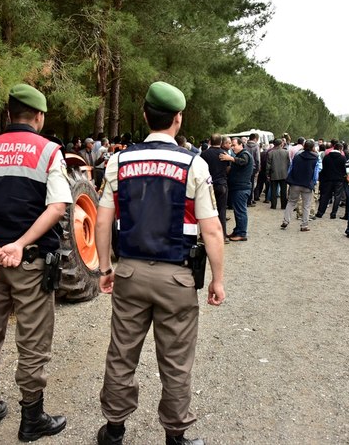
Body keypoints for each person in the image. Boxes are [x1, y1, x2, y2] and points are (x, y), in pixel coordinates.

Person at [94, 81, 225, 445]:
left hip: (131, 271)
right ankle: (176, 434)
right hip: (178, 277)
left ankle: (115, 429)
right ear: (178, 119)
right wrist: (217, 279)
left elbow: (103, 221)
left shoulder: (119, 160)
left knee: (122, 353)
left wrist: (106, 268)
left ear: (144, 115)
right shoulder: (194, 164)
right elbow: (211, 230)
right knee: (176, 359)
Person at [0, 84, 71, 439]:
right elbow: (57, 207)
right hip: (31, 263)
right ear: (38, 116)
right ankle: (31, 418)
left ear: (8, 114)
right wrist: (21, 244)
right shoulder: (50, 151)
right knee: (33, 341)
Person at [281, 139, 319, 231]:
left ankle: (286, 221)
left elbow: (291, 168)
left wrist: (290, 179)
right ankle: (304, 225)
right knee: (306, 205)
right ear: (313, 147)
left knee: (291, 202)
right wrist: (313, 183)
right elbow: (315, 173)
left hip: (295, 183)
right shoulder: (315, 158)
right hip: (307, 184)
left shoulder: (297, 156)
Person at [222, 137, 254, 241]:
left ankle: (241, 233)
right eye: (231, 145)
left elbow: (243, 162)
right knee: (237, 211)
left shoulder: (245, 154)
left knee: (241, 211)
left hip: (241, 188)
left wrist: (230, 158)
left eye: (234, 145)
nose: (232, 147)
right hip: (237, 187)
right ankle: (237, 231)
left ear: (241, 145)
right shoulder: (239, 155)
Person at [200, 133, 230, 242]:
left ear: (210, 142)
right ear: (221, 142)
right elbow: (228, 169)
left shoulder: (204, 154)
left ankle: (205, 236)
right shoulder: (224, 154)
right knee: (222, 211)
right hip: (222, 184)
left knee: (207, 211)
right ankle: (223, 236)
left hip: (208, 185)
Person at [315, 142, 346, 219]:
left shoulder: (326, 157)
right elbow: (344, 170)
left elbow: (324, 168)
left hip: (327, 179)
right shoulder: (342, 158)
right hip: (338, 180)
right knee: (337, 197)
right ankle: (333, 213)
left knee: (325, 196)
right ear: (340, 149)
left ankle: (320, 212)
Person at [267, 138, 290, 210]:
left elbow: (268, 165)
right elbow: (288, 163)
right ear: (281, 144)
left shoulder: (270, 153)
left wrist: (267, 174)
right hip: (284, 173)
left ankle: (273, 205)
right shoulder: (286, 152)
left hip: (274, 173)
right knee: (283, 191)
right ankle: (283, 205)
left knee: (273, 190)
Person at [245, 133, 260, 206]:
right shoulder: (256, 146)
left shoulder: (244, 145)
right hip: (253, 168)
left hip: (245, 166)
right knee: (251, 184)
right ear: (255, 139)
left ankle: (245, 199)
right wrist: (258, 169)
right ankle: (250, 200)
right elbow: (257, 159)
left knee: (245, 183)